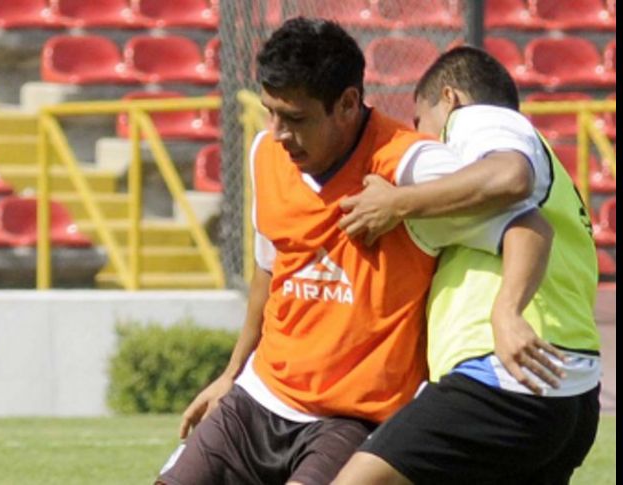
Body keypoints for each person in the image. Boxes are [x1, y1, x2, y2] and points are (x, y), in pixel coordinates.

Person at [155, 19, 557, 485]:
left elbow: (529, 225)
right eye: (271, 112)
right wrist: (231, 373)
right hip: (261, 396)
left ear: (347, 103)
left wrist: (507, 312)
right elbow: (270, 268)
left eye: (295, 118)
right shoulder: (265, 153)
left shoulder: (409, 165)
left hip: (355, 418)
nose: (278, 132)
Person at [333, 46, 602, 485]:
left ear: (450, 97)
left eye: (422, 122)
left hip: (504, 377)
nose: (422, 138)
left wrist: (396, 202)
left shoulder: (481, 118)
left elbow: (510, 177)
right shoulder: (558, 179)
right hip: (570, 394)